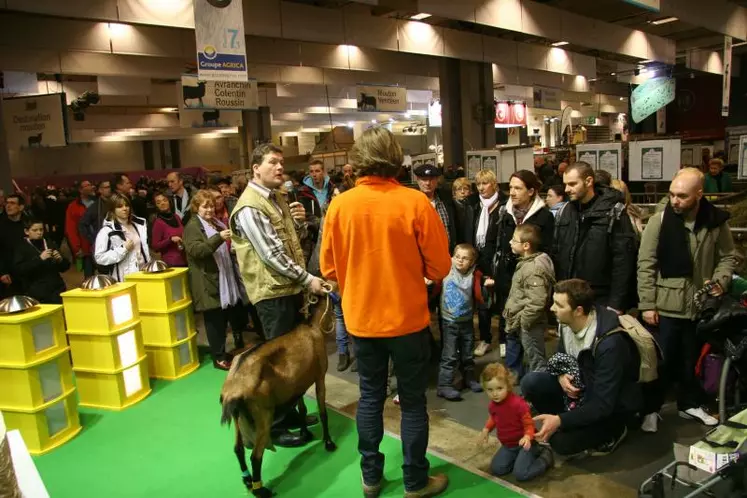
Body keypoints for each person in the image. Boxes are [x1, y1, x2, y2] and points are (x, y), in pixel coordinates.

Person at [320, 127, 452, 498]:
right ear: (395, 158)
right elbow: (440, 267)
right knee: (412, 403)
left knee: (370, 396)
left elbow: (328, 269)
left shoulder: (340, 205)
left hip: (362, 322)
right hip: (407, 322)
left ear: (358, 159)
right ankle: (414, 480)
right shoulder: (414, 202)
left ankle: (371, 477)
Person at [230, 144, 326, 448]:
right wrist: (308, 279)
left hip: (287, 289)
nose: (280, 167)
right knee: (279, 366)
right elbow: (272, 256)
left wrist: (298, 224)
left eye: (281, 162)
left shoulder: (276, 199)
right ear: (255, 167)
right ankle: (276, 425)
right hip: (272, 295)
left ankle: (293, 414)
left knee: (294, 362)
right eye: (273, 162)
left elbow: (287, 245)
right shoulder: (250, 206)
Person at [638, 167, 737, 428]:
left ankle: (689, 404)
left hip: (700, 304)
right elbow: (646, 263)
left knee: (691, 360)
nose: (675, 201)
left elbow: (728, 256)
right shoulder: (660, 221)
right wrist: (647, 304)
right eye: (671, 194)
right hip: (666, 305)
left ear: (699, 194)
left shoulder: (716, 221)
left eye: (682, 196)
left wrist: (721, 280)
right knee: (660, 361)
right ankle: (651, 408)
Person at [522, 279, 642, 457]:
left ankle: (615, 430)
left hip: (607, 405)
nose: (552, 309)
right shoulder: (566, 323)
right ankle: (567, 420)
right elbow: (562, 358)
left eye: (558, 305)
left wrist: (561, 420)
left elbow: (603, 404)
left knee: (560, 443)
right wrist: (561, 376)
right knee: (530, 382)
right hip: (580, 391)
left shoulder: (610, 344)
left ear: (578, 311)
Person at [553, 162, 637, 312]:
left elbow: (623, 261)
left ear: (589, 181)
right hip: (569, 296)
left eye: (572, 184)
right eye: (565, 184)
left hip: (600, 298)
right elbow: (559, 251)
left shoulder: (613, 212)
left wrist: (616, 304)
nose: (567, 189)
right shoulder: (566, 211)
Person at [492, 170, 554, 368]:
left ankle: (532, 383)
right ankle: (512, 378)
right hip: (507, 281)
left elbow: (547, 250)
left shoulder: (544, 216)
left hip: (530, 281)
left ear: (531, 191)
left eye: (518, 188)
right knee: (511, 333)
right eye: (510, 187)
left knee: (530, 340)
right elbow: (498, 243)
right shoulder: (504, 212)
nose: (512, 192)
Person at [184, 190, 247, 370]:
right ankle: (218, 357)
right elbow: (197, 251)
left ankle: (221, 352)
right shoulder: (192, 226)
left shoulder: (214, 223)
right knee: (214, 323)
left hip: (220, 279)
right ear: (196, 208)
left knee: (222, 319)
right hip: (207, 282)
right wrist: (218, 238)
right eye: (205, 206)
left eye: (211, 205)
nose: (210, 210)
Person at [478, 363, 553, 482]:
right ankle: (519, 460)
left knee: (521, 474)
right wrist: (486, 429)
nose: (495, 393)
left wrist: (527, 437)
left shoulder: (518, 404)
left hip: (526, 444)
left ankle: (544, 458)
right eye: (490, 390)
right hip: (509, 446)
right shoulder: (492, 406)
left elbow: (529, 424)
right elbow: (494, 418)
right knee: (497, 469)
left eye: (499, 388)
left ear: (508, 385)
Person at [433, 243, 486, 401]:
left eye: (465, 258)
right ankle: (444, 385)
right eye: (457, 257)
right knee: (449, 355)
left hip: (467, 320)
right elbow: (435, 285)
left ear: (472, 261)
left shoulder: (475, 274)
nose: (460, 261)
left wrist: (485, 286)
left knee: (467, 352)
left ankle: (468, 378)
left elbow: (479, 291)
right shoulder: (445, 270)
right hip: (449, 320)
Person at [503, 224, 555, 377]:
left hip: (528, 323)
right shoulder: (526, 263)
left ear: (526, 245)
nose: (510, 243)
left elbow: (537, 301)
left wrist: (524, 321)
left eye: (514, 240)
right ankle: (514, 382)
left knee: (536, 360)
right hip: (516, 320)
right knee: (516, 352)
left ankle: (537, 391)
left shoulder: (533, 269)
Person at [462, 169, 503, 357]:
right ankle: (485, 338)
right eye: (478, 184)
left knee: (503, 303)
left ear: (493, 183)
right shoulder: (473, 205)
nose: (481, 188)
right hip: (479, 260)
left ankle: (504, 339)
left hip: (499, 259)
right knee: (483, 303)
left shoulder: (504, 204)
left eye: (485, 183)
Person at [93, 194, 151, 282]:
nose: (125, 208)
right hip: (124, 278)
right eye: (119, 206)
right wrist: (123, 249)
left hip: (144, 272)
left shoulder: (139, 225)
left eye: (127, 205)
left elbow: (144, 250)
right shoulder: (106, 231)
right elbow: (99, 258)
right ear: (112, 210)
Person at [13, 218, 69, 304]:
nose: (39, 232)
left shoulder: (49, 243)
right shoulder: (21, 247)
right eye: (35, 230)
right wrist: (40, 259)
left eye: (41, 229)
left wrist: (61, 260)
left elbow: (64, 268)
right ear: (27, 231)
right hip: (36, 292)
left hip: (56, 289)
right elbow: (19, 270)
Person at [414, 163, 463, 254]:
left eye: (431, 179)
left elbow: (455, 226)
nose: (428, 183)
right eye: (424, 180)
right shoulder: (412, 202)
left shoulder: (446, 200)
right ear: (417, 180)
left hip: (448, 253)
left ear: (437, 180)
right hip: (423, 255)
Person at [65, 180, 96, 277]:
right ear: (80, 190)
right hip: (86, 247)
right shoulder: (73, 207)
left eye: (91, 184)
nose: (91, 187)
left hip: (101, 245)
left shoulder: (98, 202)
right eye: (87, 185)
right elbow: (71, 229)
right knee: (89, 277)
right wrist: (76, 247)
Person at [150, 192, 187, 267]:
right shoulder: (158, 223)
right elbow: (155, 246)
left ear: (169, 201)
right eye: (158, 202)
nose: (162, 203)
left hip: (185, 258)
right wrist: (170, 239)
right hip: (172, 263)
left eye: (164, 200)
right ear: (156, 206)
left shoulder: (176, 217)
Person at [79, 179, 113, 248]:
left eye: (110, 187)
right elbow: (82, 225)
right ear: (100, 190)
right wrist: (93, 239)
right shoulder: (95, 207)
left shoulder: (115, 202)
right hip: (103, 244)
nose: (109, 189)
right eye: (106, 187)